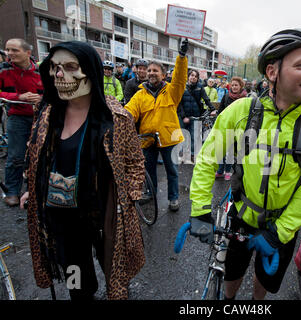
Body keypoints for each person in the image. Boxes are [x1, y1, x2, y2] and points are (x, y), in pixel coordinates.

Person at [188, 29, 301, 300]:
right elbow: (207, 159)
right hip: (241, 216)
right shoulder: (242, 110)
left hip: (282, 226)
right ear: (272, 72)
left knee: (265, 278)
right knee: (233, 271)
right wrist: (200, 209)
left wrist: (279, 232)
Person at [20, 41, 146, 300]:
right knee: (76, 279)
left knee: (112, 266)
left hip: (103, 212)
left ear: (90, 71)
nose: (59, 75)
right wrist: (31, 187)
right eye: (55, 68)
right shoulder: (46, 112)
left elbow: (135, 160)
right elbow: (33, 154)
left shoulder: (116, 118)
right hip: (62, 216)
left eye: (70, 67)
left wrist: (131, 195)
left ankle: (116, 290)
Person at [125, 39, 189, 212]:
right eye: (149, 70)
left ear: (163, 75)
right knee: (148, 169)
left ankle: (173, 198)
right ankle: (150, 193)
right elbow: (129, 111)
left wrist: (181, 57)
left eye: (155, 71)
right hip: (147, 139)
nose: (151, 73)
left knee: (172, 171)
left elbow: (180, 78)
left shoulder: (172, 91)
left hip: (169, 139)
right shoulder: (140, 94)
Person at [0, 38, 43, 207]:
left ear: (28, 53)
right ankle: (12, 191)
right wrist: (19, 97)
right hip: (16, 117)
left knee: (37, 154)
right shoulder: (3, 70)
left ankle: (32, 191)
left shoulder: (42, 71)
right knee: (16, 155)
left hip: (39, 117)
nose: (9, 53)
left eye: (14, 50)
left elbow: (54, 92)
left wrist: (40, 99)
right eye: (7, 50)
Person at [178, 69, 217, 162]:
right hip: (184, 116)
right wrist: (183, 117)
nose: (193, 77)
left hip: (196, 115)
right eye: (192, 75)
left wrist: (212, 109)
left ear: (198, 78)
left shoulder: (200, 87)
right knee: (182, 136)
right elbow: (178, 103)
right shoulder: (182, 87)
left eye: (196, 76)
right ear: (188, 76)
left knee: (194, 137)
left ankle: (192, 155)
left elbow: (206, 99)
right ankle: (183, 154)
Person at [215, 76, 248, 180]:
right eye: (232, 85)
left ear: (241, 86)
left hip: (238, 128)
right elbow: (220, 112)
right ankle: (220, 171)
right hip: (225, 127)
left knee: (230, 151)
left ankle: (228, 171)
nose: (234, 87)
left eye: (236, 85)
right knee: (221, 149)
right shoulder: (226, 96)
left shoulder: (245, 98)